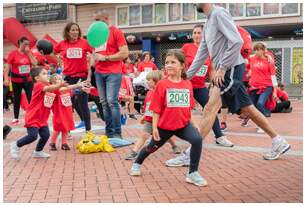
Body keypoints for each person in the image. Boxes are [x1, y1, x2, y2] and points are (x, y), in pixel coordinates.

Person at [187, 4, 290, 160]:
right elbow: (202, 54)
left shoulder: (219, 14)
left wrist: (222, 68)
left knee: (210, 108)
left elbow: (236, 41)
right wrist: (185, 77)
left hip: (229, 69)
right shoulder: (208, 22)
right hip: (230, 69)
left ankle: (191, 154)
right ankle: (278, 141)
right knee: (248, 109)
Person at [130, 50, 206, 187]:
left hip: (183, 125)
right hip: (164, 127)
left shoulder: (187, 84)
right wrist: (154, 128)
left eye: (173, 62)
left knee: (197, 140)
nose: (169, 65)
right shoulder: (162, 84)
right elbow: (156, 109)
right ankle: (137, 163)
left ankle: (192, 173)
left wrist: (194, 124)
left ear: (182, 65)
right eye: (167, 62)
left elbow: (188, 108)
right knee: (151, 148)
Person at [165, 24, 233, 168]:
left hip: (200, 87)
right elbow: (178, 62)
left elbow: (211, 70)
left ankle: (220, 136)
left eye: (199, 33)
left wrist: (215, 83)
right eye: (195, 33)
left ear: (205, 35)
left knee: (211, 109)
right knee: (177, 111)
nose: (196, 35)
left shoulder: (210, 50)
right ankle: (164, 134)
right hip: (185, 85)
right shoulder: (186, 47)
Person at [10, 67, 66, 159]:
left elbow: (61, 89)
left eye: (47, 73)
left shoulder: (47, 84)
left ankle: (38, 151)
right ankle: (16, 145)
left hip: (42, 117)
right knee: (32, 136)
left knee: (46, 135)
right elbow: (50, 88)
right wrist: (59, 84)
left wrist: (77, 85)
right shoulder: (38, 85)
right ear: (37, 78)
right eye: (44, 74)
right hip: (33, 116)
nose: (47, 75)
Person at [125, 70, 181, 160]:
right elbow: (148, 106)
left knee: (165, 137)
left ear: (156, 81)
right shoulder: (149, 92)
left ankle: (174, 146)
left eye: (149, 80)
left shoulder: (163, 92)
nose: (147, 82)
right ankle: (134, 152)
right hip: (150, 120)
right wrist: (144, 116)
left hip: (161, 120)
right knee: (144, 135)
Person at [93, 9, 129, 139]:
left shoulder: (116, 32)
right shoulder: (96, 35)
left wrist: (106, 58)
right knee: (104, 102)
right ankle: (109, 132)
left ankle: (117, 133)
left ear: (106, 19)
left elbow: (124, 53)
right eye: (95, 20)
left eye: (99, 20)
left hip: (113, 72)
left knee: (112, 101)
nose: (96, 23)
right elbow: (94, 54)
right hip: (99, 72)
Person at [53, 22, 93, 133]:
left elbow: (94, 53)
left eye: (77, 30)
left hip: (82, 77)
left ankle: (88, 131)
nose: (75, 32)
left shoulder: (84, 43)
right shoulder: (62, 44)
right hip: (68, 78)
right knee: (67, 104)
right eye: (73, 30)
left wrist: (90, 72)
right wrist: (60, 62)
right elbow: (52, 52)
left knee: (83, 104)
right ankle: (67, 131)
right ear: (68, 32)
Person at [49, 74, 88, 151]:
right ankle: (52, 142)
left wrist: (81, 89)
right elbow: (65, 88)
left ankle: (64, 143)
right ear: (53, 83)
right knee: (57, 129)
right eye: (57, 79)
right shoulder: (56, 90)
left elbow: (72, 93)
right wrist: (77, 85)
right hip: (59, 113)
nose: (60, 80)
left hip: (67, 112)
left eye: (61, 78)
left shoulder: (65, 89)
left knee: (66, 128)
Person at [6, 37, 38, 125]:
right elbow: (7, 68)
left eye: (28, 44)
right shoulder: (13, 54)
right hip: (16, 80)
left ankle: (33, 116)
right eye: (25, 44)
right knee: (17, 98)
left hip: (28, 79)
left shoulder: (29, 53)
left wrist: (29, 53)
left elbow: (35, 63)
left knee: (31, 98)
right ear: (20, 43)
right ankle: (16, 118)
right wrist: (6, 79)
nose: (27, 46)